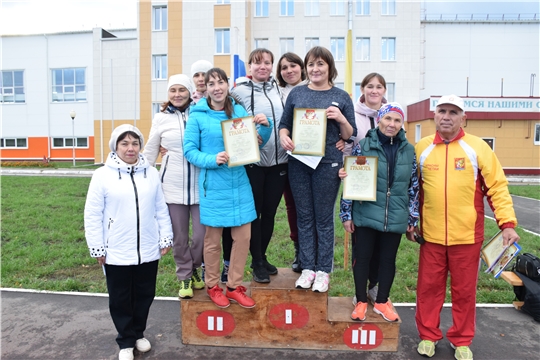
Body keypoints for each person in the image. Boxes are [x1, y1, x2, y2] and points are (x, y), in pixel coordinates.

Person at [411, 94, 520, 360]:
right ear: (434, 116)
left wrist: (507, 224)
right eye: (442, 111)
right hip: (431, 236)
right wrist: (410, 222)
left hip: (467, 236)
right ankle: (428, 336)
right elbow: (410, 190)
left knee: (464, 292)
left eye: (453, 112)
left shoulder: (478, 148)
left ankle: (461, 340)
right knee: (428, 290)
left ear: (464, 118)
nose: (446, 116)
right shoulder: (421, 148)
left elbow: (497, 187)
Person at [183, 67, 272, 309]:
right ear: (205, 88)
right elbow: (189, 150)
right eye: (211, 84)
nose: (216, 87)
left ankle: (233, 286)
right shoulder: (197, 115)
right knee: (212, 241)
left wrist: (265, 126)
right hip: (213, 184)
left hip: (240, 182)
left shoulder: (239, 110)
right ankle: (213, 285)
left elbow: (257, 142)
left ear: (227, 85)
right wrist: (212, 159)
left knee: (243, 237)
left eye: (220, 82)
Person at [84, 124, 173, 360]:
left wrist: (165, 235)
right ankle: (125, 341)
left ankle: (138, 333)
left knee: (145, 294)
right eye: (125, 143)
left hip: (147, 248)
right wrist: (97, 246)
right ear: (116, 146)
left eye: (135, 143)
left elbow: (160, 208)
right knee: (121, 297)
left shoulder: (151, 172)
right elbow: (93, 214)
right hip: (116, 249)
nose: (130, 148)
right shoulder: (102, 175)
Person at [279, 46, 356, 293]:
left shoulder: (341, 96)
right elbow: (284, 125)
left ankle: (323, 270)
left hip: (328, 164)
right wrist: (284, 137)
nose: (315, 69)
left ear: (329, 67)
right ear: (306, 68)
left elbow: (349, 135)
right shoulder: (296, 94)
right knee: (304, 217)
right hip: (299, 164)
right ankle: (307, 267)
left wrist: (341, 119)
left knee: (323, 218)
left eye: (320, 64)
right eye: (311, 64)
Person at [339, 103, 419, 322]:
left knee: (387, 260)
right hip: (365, 214)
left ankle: (382, 301)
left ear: (402, 124)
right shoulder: (363, 146)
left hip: (395, 216)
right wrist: (346, 214)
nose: (391, 124)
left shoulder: (409, 150)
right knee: (362, 258)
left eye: (397, 120)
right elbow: (350, 181)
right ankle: (361, 300)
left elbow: (413, 185)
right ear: (380, 120)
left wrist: (413, 216)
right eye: (388, 119)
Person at [229, 48, 288, 283]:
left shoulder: (281, 91)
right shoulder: (237, 92)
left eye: (267, 62)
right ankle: (256, 262)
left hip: (280, 161)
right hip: (253, 163)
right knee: (255, 214)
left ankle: (262, 256)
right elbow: (229, 120)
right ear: (249, 67)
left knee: (270, 212)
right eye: (257, 63)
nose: (262, 66)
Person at [144, 74, 204, 299]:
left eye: (182, 90)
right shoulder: (160, 119)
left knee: (201, 237)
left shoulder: (201, 112)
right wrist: (140, 175)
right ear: (168, 94)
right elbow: (150, 150)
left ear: (189, 92)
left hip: (200, 187)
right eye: (172, 90)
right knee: (179, 238)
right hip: (171, 188)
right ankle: (185, 276)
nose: (177, 94)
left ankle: (196, 268)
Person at [344, 72, 389, 305]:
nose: (374, 90)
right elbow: (346, 142)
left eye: (379, 86)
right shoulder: (352, 114)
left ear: (384, 90)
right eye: (369, 86)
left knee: (383, 245)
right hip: (360, 184)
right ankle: (360, 290)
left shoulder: (391, 114)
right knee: (362, 244)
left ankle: (374, 286)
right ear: (362, 89)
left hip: (385, 189)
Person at [276, 52, 308, 273]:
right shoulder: (275, 92)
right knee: (292, 207)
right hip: (281, 158)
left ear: (302, 67)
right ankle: (299, 249)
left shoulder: (314, 88)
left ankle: (309, 251)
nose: (289, 70)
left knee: (306, 206)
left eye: (293, 65)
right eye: (284, 67)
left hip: (309, 157)